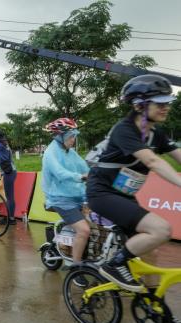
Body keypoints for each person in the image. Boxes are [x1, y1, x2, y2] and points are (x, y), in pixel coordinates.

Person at [87, 74, 181, 292]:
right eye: (160, 103)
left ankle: (152, 303)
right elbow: (152, 160)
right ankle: (114, 264)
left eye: (168, 102)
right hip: (102, 194)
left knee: (152, 249)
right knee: (162, 230)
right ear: (140, 105)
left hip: (124, 195)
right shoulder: (124, 130)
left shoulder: (156, 134)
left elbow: (177, 155)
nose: (166, 107)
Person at [42, 118, 90, 282]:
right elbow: (60, 173)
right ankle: (76, 270)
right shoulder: (50, 153)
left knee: (99, 226)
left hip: (77, 196)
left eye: (74, 136)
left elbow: (85, 167)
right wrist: (81, 177)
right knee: (83, 230)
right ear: (59, 136)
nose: (73, 139)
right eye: (70, 136)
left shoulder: (70, 152)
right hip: (60, 199)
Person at [0, 130, 18, 225]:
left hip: (8, 173)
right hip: (11, 172)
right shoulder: (3, 143)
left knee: (9, 197)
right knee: (9, 196)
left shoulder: (0, 145)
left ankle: (11, 219)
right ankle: (10, 217)